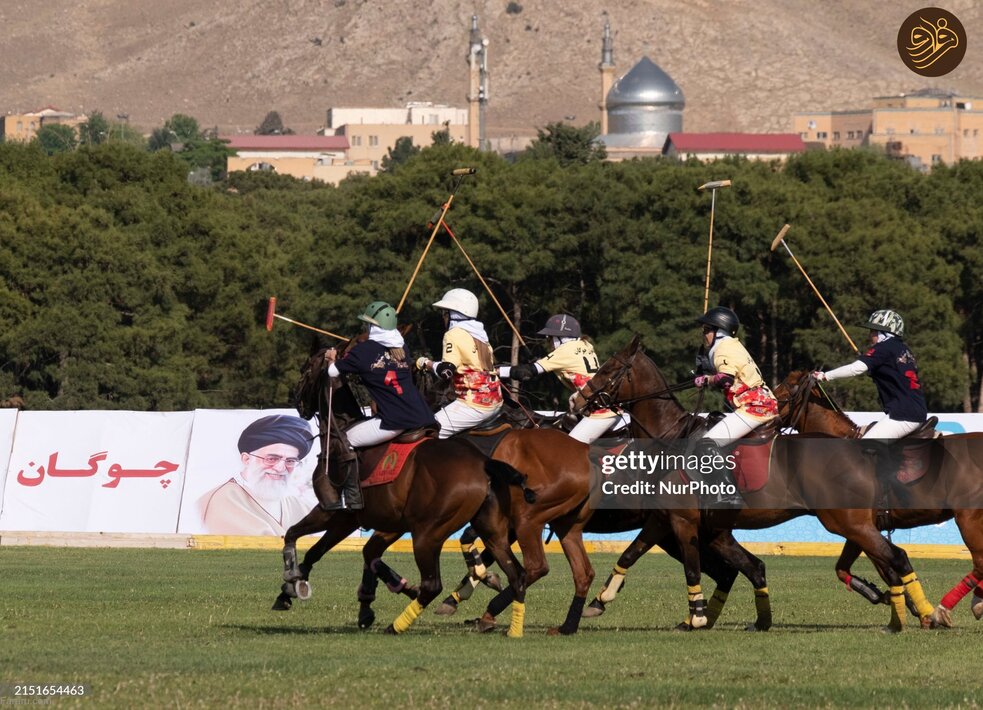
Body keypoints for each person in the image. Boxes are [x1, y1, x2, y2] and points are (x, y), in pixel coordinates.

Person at [323, 300, 436, 510]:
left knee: (344, 439)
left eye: (367, 324)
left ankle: (353, 497)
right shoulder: (402, 348)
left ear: (372, 327)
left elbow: (332, 372)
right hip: (424, 416)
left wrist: (332, 358)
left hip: (395, 421)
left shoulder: (363, 351)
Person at [813, 310, 927, 482]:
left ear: (884, 333)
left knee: (862, 448)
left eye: (873, 331)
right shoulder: (903, 349)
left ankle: (884, 490)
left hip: (903, 415)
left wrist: (824, 376)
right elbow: (891, 374)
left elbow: (855, 369)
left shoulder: (884, 348)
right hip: (913, 410)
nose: (870, 335)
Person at [693, 306, 778, 506]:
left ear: (718, 330)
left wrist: (705, 380)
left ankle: (728, 494)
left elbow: (726, 379)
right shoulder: (732, 345)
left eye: (706, 329)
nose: (703, 334)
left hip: (753, 407)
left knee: (706, 445)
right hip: (762, 402)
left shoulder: (723, 347)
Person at [500, 313, 630, 444]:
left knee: (567, 449)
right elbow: (568, 364)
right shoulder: (586, 345)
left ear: (559, 338)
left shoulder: (563, 351)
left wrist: (496, 371)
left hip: (598, 411)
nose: (549, 342)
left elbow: (526, 372)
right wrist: (540, 362)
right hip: (606, 404)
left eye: (550, 338)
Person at [199, 414, 316, 535]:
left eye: (290, 461)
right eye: (272, 459)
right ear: (246, 459)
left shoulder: (302, 506)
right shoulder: (221, 500)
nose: (281, 468)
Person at [417, 288, 503, 437]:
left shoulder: (453, 334)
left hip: (474, 405)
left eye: (445, 313)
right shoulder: (481, 334)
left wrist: (425, 362)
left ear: (452, 314)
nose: (444, 317)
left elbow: (446, 371)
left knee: (425, 432)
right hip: (496, 401)